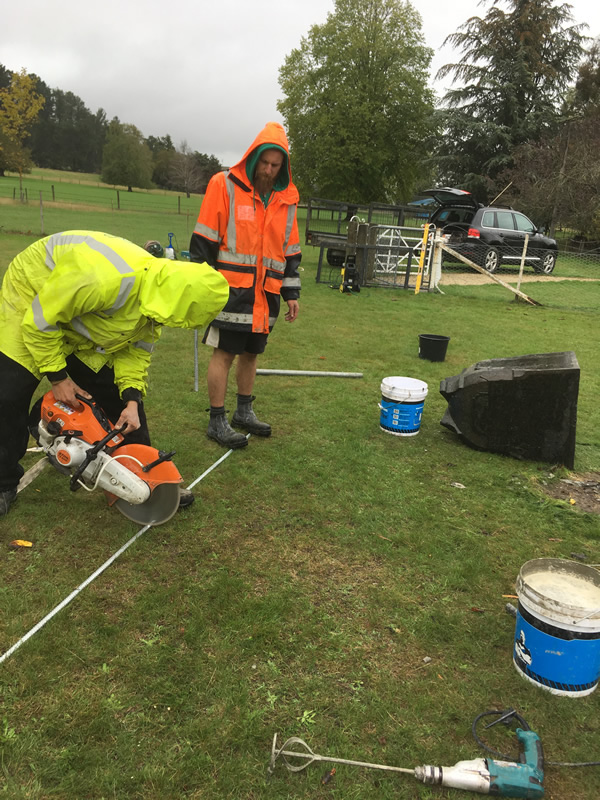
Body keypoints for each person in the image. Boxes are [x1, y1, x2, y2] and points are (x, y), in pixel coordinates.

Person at [0, 230, 229, 517]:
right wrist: (58, 378)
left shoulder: (159, 302)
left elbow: (135, 353)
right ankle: (3, 482)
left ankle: (143, 474)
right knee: (9, 394)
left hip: (78, 319)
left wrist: (131, 400)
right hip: (32, 295)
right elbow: (40, 322)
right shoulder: (104, 279)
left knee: (118, 399)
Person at [189, 122, 301, 449]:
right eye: (264, 162)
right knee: (224, 353)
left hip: (266, 295)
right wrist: (201, 286)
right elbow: (203, 241)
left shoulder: (287, 198)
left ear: (283, 166)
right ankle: (216, 420)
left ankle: (243, 411)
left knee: (251, 354)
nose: (268, 170)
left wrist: (291, 293)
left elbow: (290, 251)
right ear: (253, 158)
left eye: (275, 165)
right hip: (230, 291)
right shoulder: (223, 185)